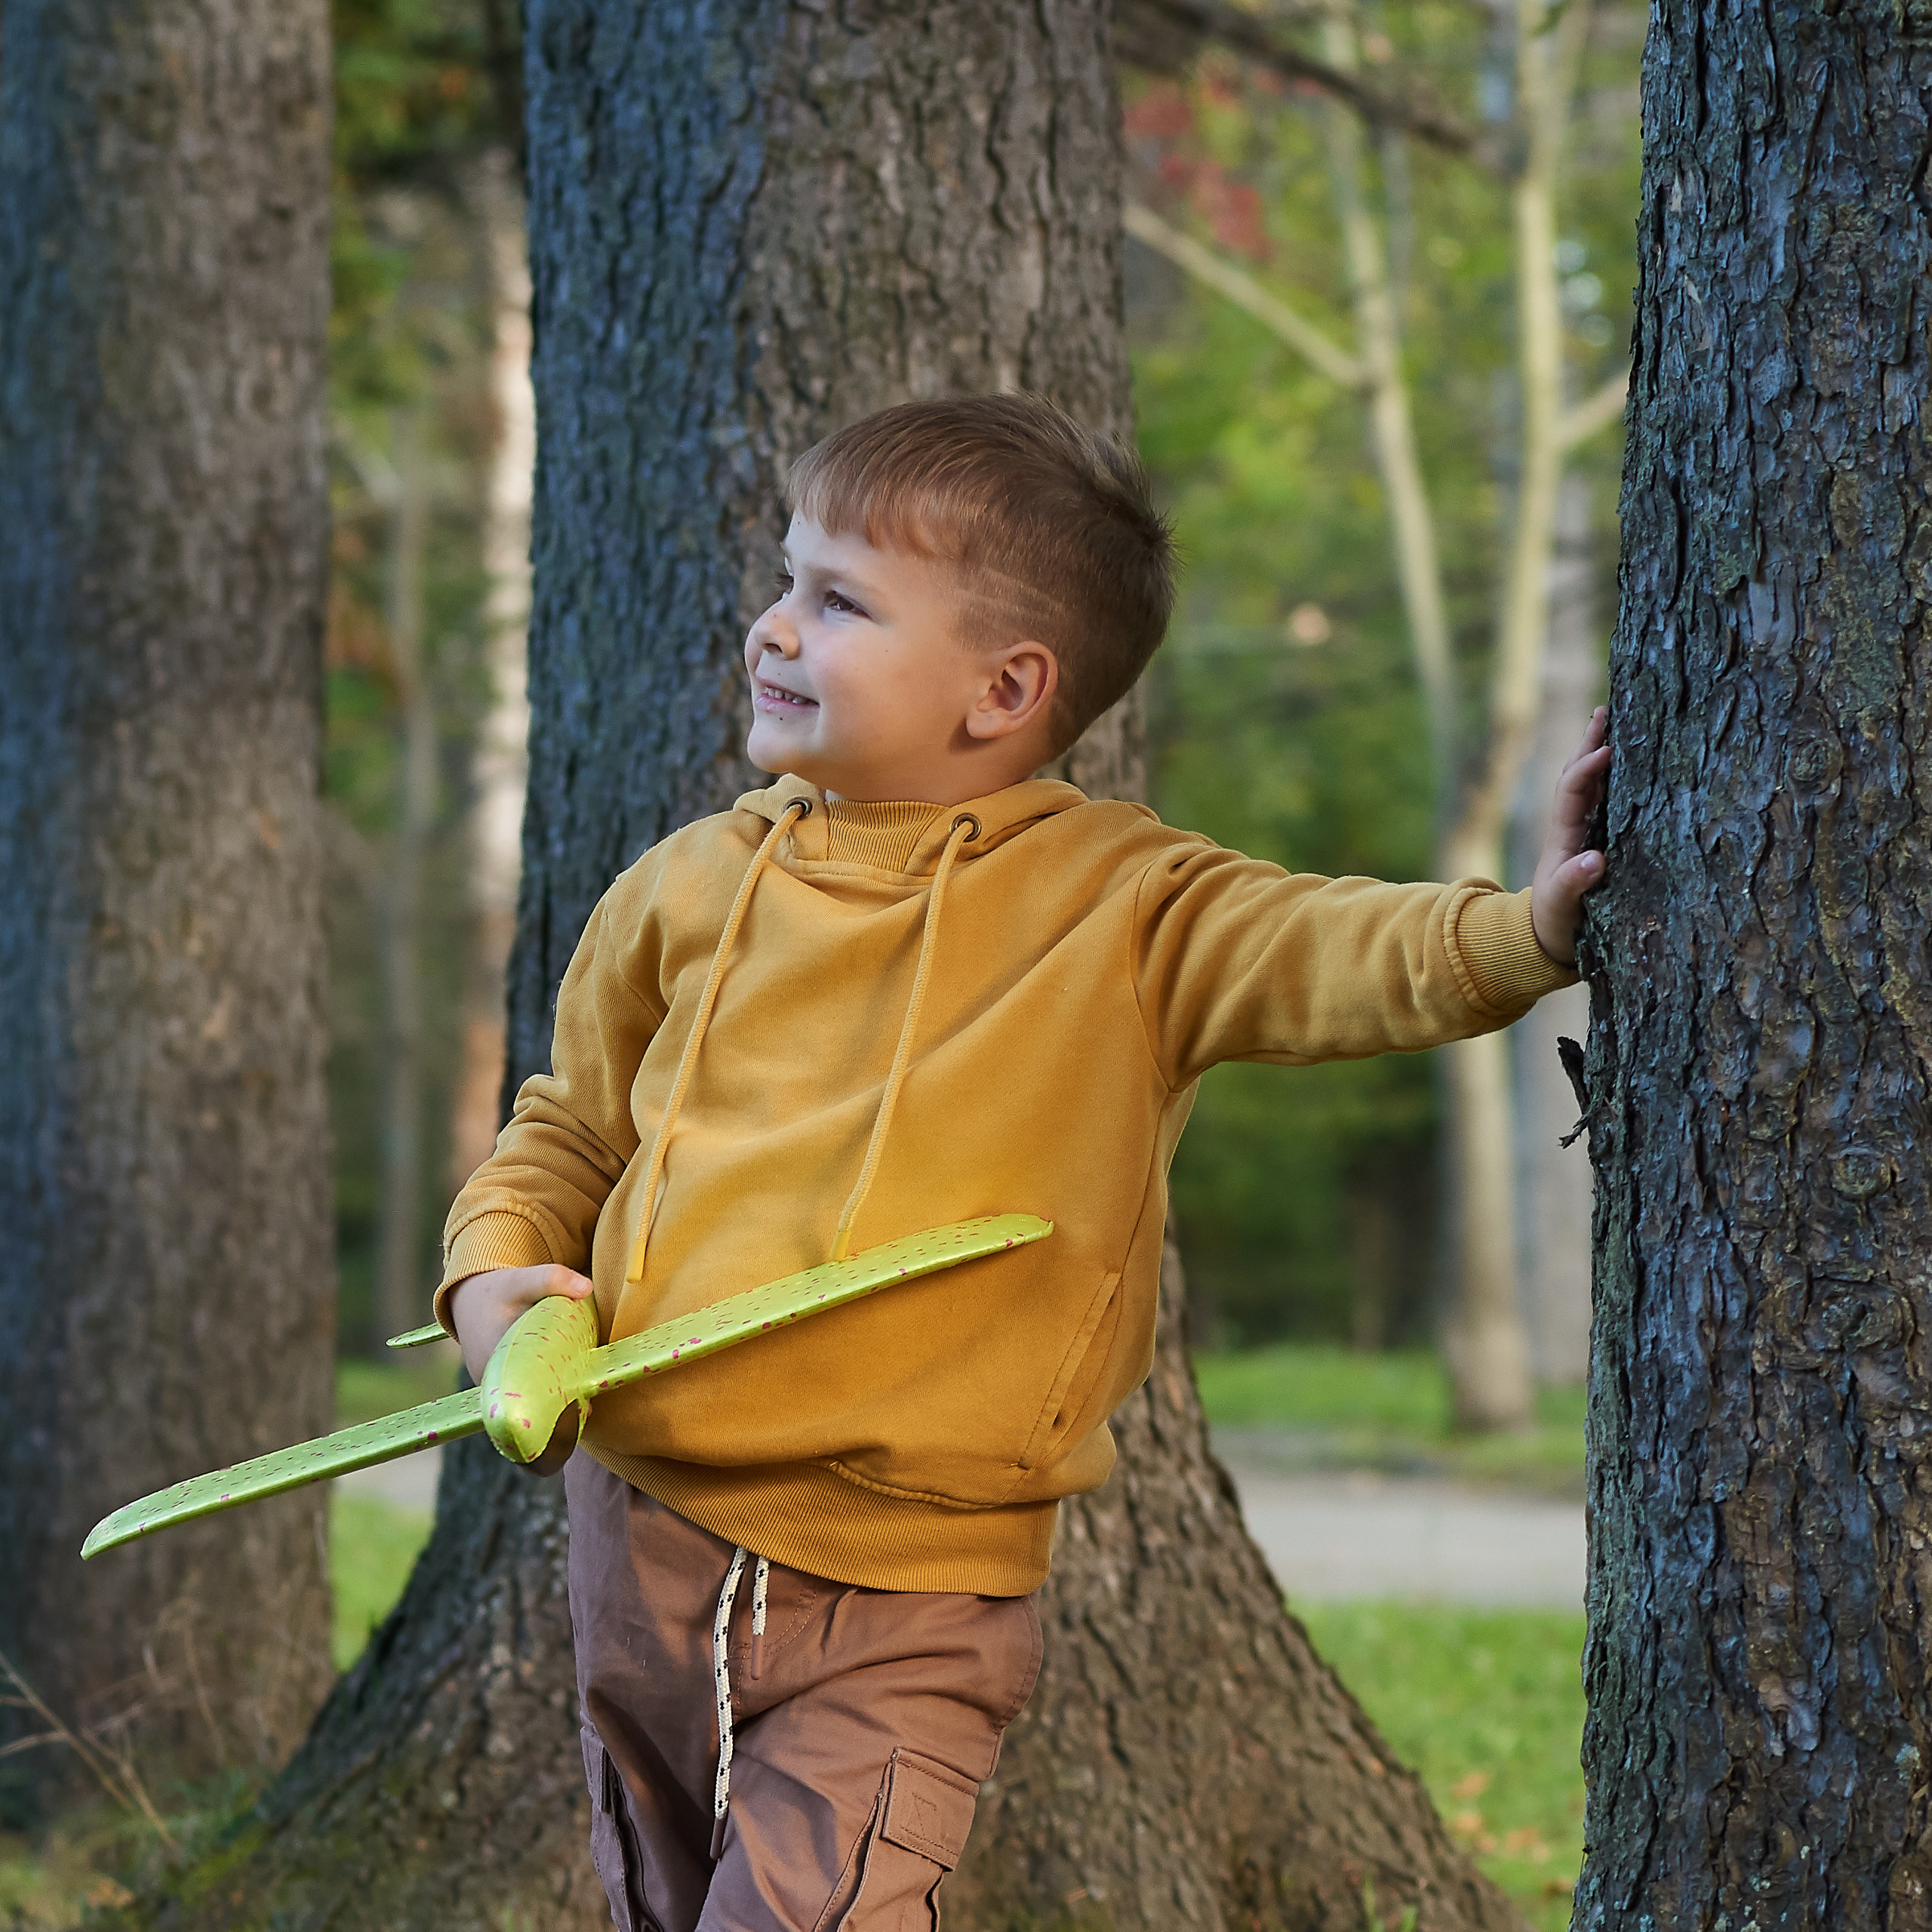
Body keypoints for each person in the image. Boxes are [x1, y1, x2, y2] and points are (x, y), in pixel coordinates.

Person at [438, 394, 1610, 1931]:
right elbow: (566, 1131)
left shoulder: (1126, 908)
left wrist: (1527, 930)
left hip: (905, 1595)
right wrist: (491, 1281)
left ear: (1004, 689)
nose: (772, 627)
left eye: (839, 601)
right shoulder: (678, 890)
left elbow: (1335, 947)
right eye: (788, 579)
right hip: (638, 1548)